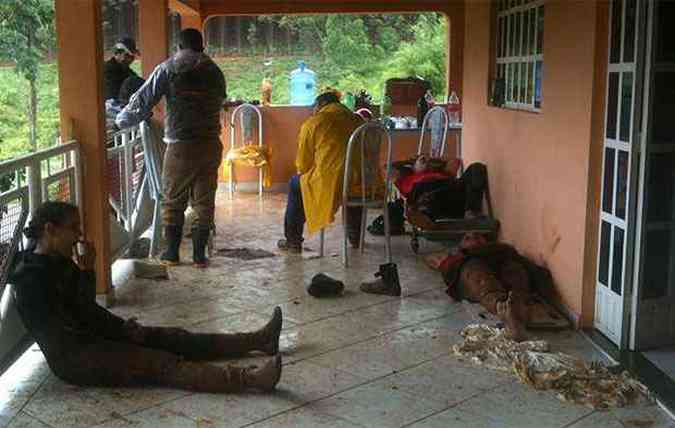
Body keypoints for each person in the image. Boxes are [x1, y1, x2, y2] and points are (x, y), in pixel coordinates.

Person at [9, 201, 282, 392]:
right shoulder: (29, 279)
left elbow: (86, 310)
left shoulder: (59, 260)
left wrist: (123, 328)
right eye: (73, 228)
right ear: (50, 230)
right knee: (161, 362)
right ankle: (251, 380)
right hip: (74, 359)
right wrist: (121, 338)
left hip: (91, 338)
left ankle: (259, 340)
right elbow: (71, 326)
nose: (79, 235)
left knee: (174, 338)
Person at [116, 29, 226, 268]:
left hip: (181, 146)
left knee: (173, 200)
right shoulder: (215, 71)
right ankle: (199, 256)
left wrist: (120, 121)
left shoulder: (169, 68)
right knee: (204, 201)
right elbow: (220, 101)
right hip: (210, 144)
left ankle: (172, 254)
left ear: (178, 46)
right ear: (202, 47)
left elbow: (142, 101)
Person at [277, 90, 366, 253]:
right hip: (364, 183)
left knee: (296, 184)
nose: (314, 111)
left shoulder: (315, 122)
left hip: (331, 183)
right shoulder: (358, 121)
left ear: (321, 105)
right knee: (350, 180)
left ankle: (293, 241)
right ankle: (355, 237)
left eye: (315, 107)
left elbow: (303, 165)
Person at [426, 233, 553, 342]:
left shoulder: (501, 250)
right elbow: (431, 258)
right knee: (478, 277)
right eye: (467, 237)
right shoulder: (460, 259)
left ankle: (517, 305)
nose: (473, 236)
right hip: (475, 273)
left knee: (514, 269)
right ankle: (505, 311)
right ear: (461, 246)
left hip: (503, 272)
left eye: (478, 236)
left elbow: (534, 271)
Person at [104, 37, 140, 102]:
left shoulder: (128, 71)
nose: (131, 59)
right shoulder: (108, 71)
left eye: (132, 57)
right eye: (128, 56)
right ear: (118, 53)